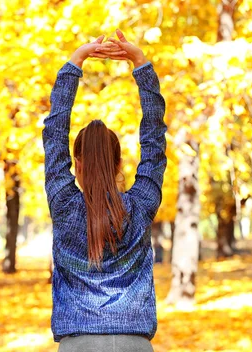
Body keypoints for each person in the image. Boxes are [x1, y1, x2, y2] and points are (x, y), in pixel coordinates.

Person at [43, 30, 167, 352]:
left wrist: (76, 61)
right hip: (134, 345)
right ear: (118, 163)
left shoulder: (63, 205)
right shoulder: (141, 205)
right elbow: (154, 140)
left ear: (76, 164)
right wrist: (141, 64)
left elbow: (54, 132)